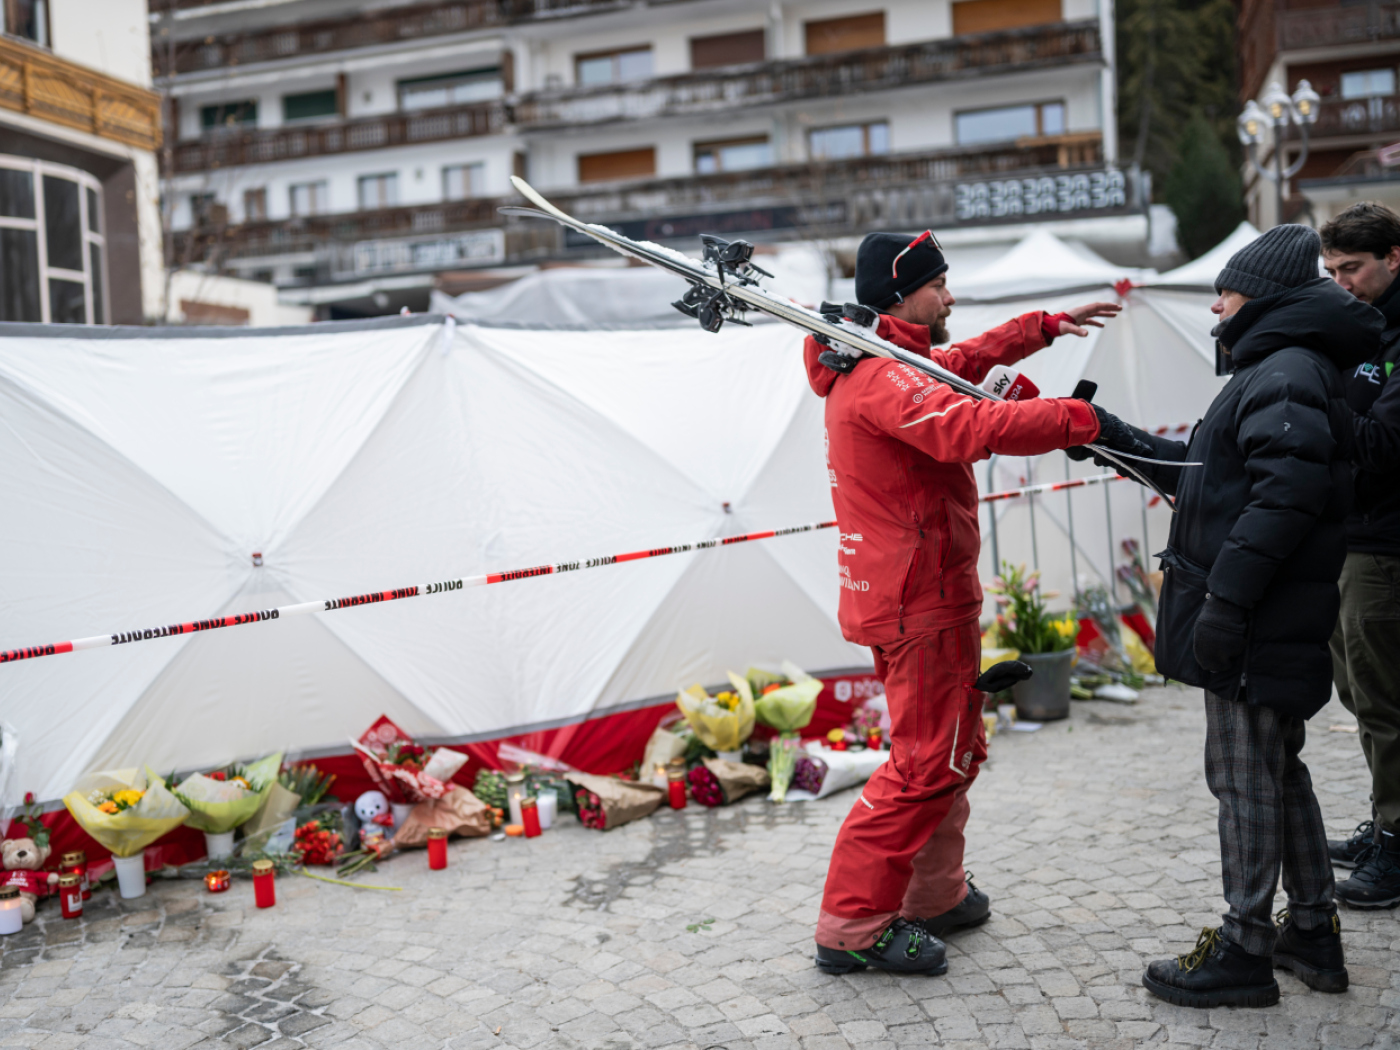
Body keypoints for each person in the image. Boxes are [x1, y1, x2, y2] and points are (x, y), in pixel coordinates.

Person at [806, 229, 1140, 975]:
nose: (949, 296)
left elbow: (956, 368)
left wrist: (1039, 329)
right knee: (927, 764)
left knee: (949, 750)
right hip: (917, 599)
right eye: (938, 286)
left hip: (914, 591)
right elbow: (969, 423)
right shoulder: (883, 380)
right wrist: (1079, 420)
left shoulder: (888, 362)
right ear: (902, 295)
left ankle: (934, 894)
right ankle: (853, 925)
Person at [1084, 224, 1382, 1007]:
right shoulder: (1281, 368)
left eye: (1227, 291)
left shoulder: (1286, 370)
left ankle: (1246, 947)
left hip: (1257, 617)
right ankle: (1312, 931)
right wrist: (1108, 436)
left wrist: (1226, 603)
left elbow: (1285, 501)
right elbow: (1209, 481)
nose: (1216, 307)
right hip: (1265, 612)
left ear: (1265, 296)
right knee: (1278, 772)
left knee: (1244, 777)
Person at [1320, 201, 1400, 909]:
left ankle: (1398, 845)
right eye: (1332, 271)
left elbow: (1380, 445)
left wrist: (1316, 399)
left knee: (1385, 702)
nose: (1341, 282)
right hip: (1353, 537)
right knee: (1361, 696)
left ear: (1393, 258)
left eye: (1353, 268)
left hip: (1385, 545)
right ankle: (1386, 823)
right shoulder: (1364, 328)